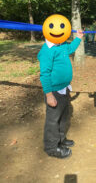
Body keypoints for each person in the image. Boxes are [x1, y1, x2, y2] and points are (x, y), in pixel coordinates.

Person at [38, 14, 84, 159]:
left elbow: (70, 48)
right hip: (54, 91)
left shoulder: (62, 44)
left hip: (65, 89)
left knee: (64, 117)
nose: (58, 31)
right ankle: (51, 147)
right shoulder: (47, 51)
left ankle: (61, 140)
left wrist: (78, 38)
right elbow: (44, 75)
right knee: (53, 120)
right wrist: (49, 94)